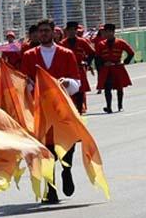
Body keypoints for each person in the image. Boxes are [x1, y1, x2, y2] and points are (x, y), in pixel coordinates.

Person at [21, 19, 82, 204]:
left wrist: (67, 83)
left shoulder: (66, 54)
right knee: (46, 150)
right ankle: (51, 188)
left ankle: (67, 170)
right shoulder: (29, 55)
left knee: (68, 144)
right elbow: (25, 81)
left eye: (47, 31)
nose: (43, 34)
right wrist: (31, 86)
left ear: (54, 32)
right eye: (40, 31)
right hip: (42, 111)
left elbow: (77, 82)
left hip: (63, 108)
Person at [94, 23, 135, 114]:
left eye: (110, 32)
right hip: (106, 68)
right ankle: (109, 107)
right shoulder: (101, 44)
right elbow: (97, 57)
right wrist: (102, 65)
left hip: (117, 67)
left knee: (119, 87)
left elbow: (131, 52)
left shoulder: (120, 42)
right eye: (106, 32)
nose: (108, 34)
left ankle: (120, 106)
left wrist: (125, 61)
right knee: (107, 88)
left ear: (113, 32)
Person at [61, 22, 96, 113]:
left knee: (80, 91)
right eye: (70, 30)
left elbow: (92, 52)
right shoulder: (62, 43)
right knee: (68, 91)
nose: (72, 32)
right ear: (67, 31)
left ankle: (80, 110)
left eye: (74, 30)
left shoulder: (82, 41)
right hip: (67, 70)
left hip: (79, 68)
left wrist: (87, 62)